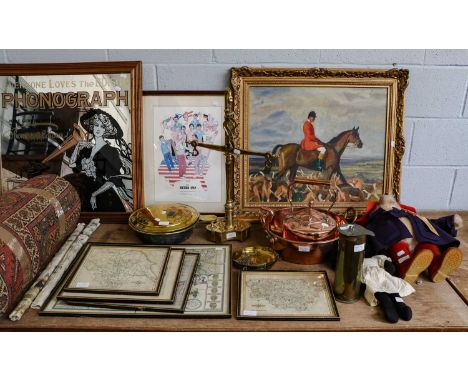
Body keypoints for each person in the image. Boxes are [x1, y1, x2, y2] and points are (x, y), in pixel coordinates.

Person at [66, 109, 131, 212]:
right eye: (96, 125)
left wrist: (95, 194)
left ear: (106, 130)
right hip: (82, 191)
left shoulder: (112, 152)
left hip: (103, 196)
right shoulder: (87, 148)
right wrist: (78, 145)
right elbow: (73, 166)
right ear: (92, 127)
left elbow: (114, 179)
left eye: (102, 126)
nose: (98, 128)